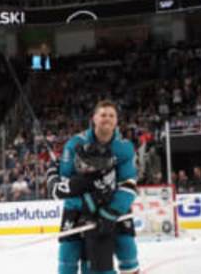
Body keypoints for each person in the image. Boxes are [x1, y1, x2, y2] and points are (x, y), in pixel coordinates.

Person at [47, 100, 139, 274]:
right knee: (68, 258)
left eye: (111, 115)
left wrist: (110, 212)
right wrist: (86, 205)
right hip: (78, 207)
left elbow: (128, 185)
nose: (107, 119)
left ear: (117, 121)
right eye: (103, 114)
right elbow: (66, 184)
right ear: (94, 119)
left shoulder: (125, 148)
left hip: (113, 205)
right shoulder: (74, 144)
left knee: (127, 251)